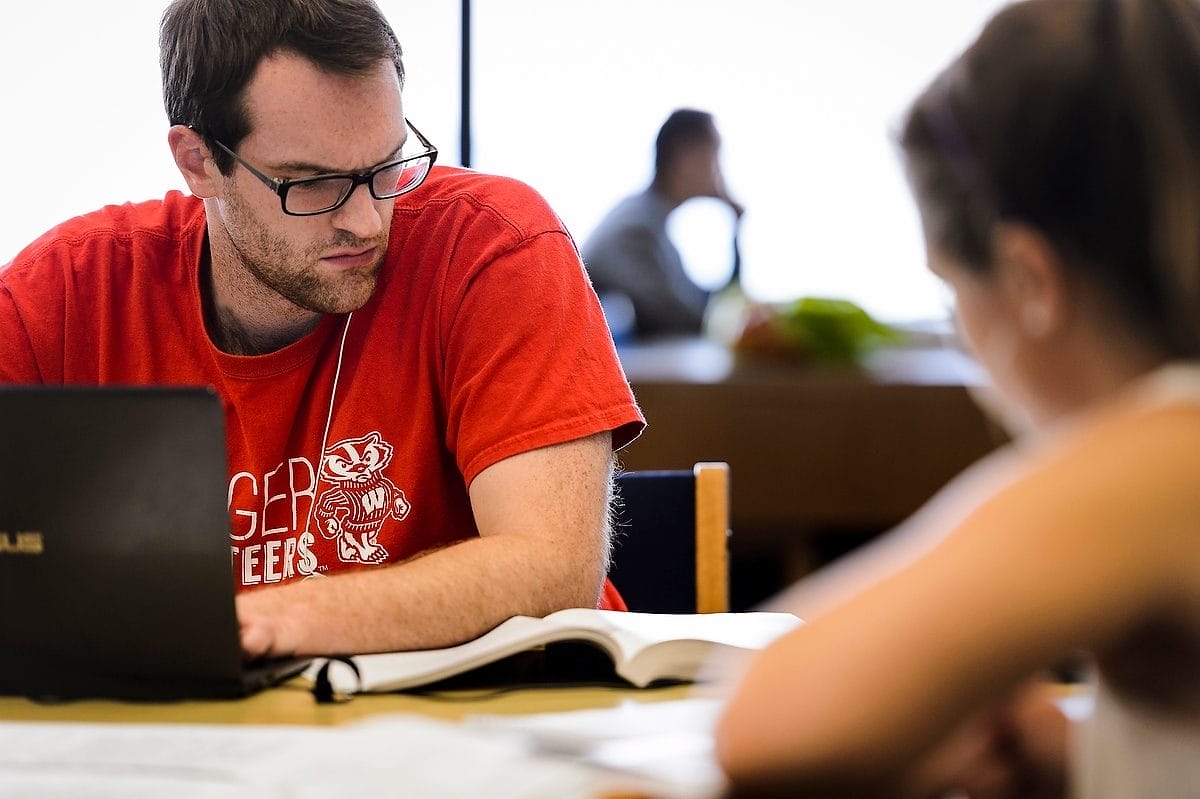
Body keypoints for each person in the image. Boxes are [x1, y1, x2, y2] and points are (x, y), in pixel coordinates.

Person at [0, 0, 644, 661]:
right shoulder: (65, 294)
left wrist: (276, 617)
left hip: (499, 723)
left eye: (386, 165)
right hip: (194, 741)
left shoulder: (494, 243)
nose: (367, 222)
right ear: (197, 160)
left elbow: (553, 566)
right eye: (314, 184)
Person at [713, 0, 1200, 796]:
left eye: (952, 298)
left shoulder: (1170, 444)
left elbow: (766, 718)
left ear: (1029, 281)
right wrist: (1078, 749)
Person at [581, 108, 743, 339]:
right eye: (714, 156)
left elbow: (706, 306)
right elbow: (689, 320)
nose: (719, 172)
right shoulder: (636, 229)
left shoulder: (651, 222)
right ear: (685, 158)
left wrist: (736, 228)